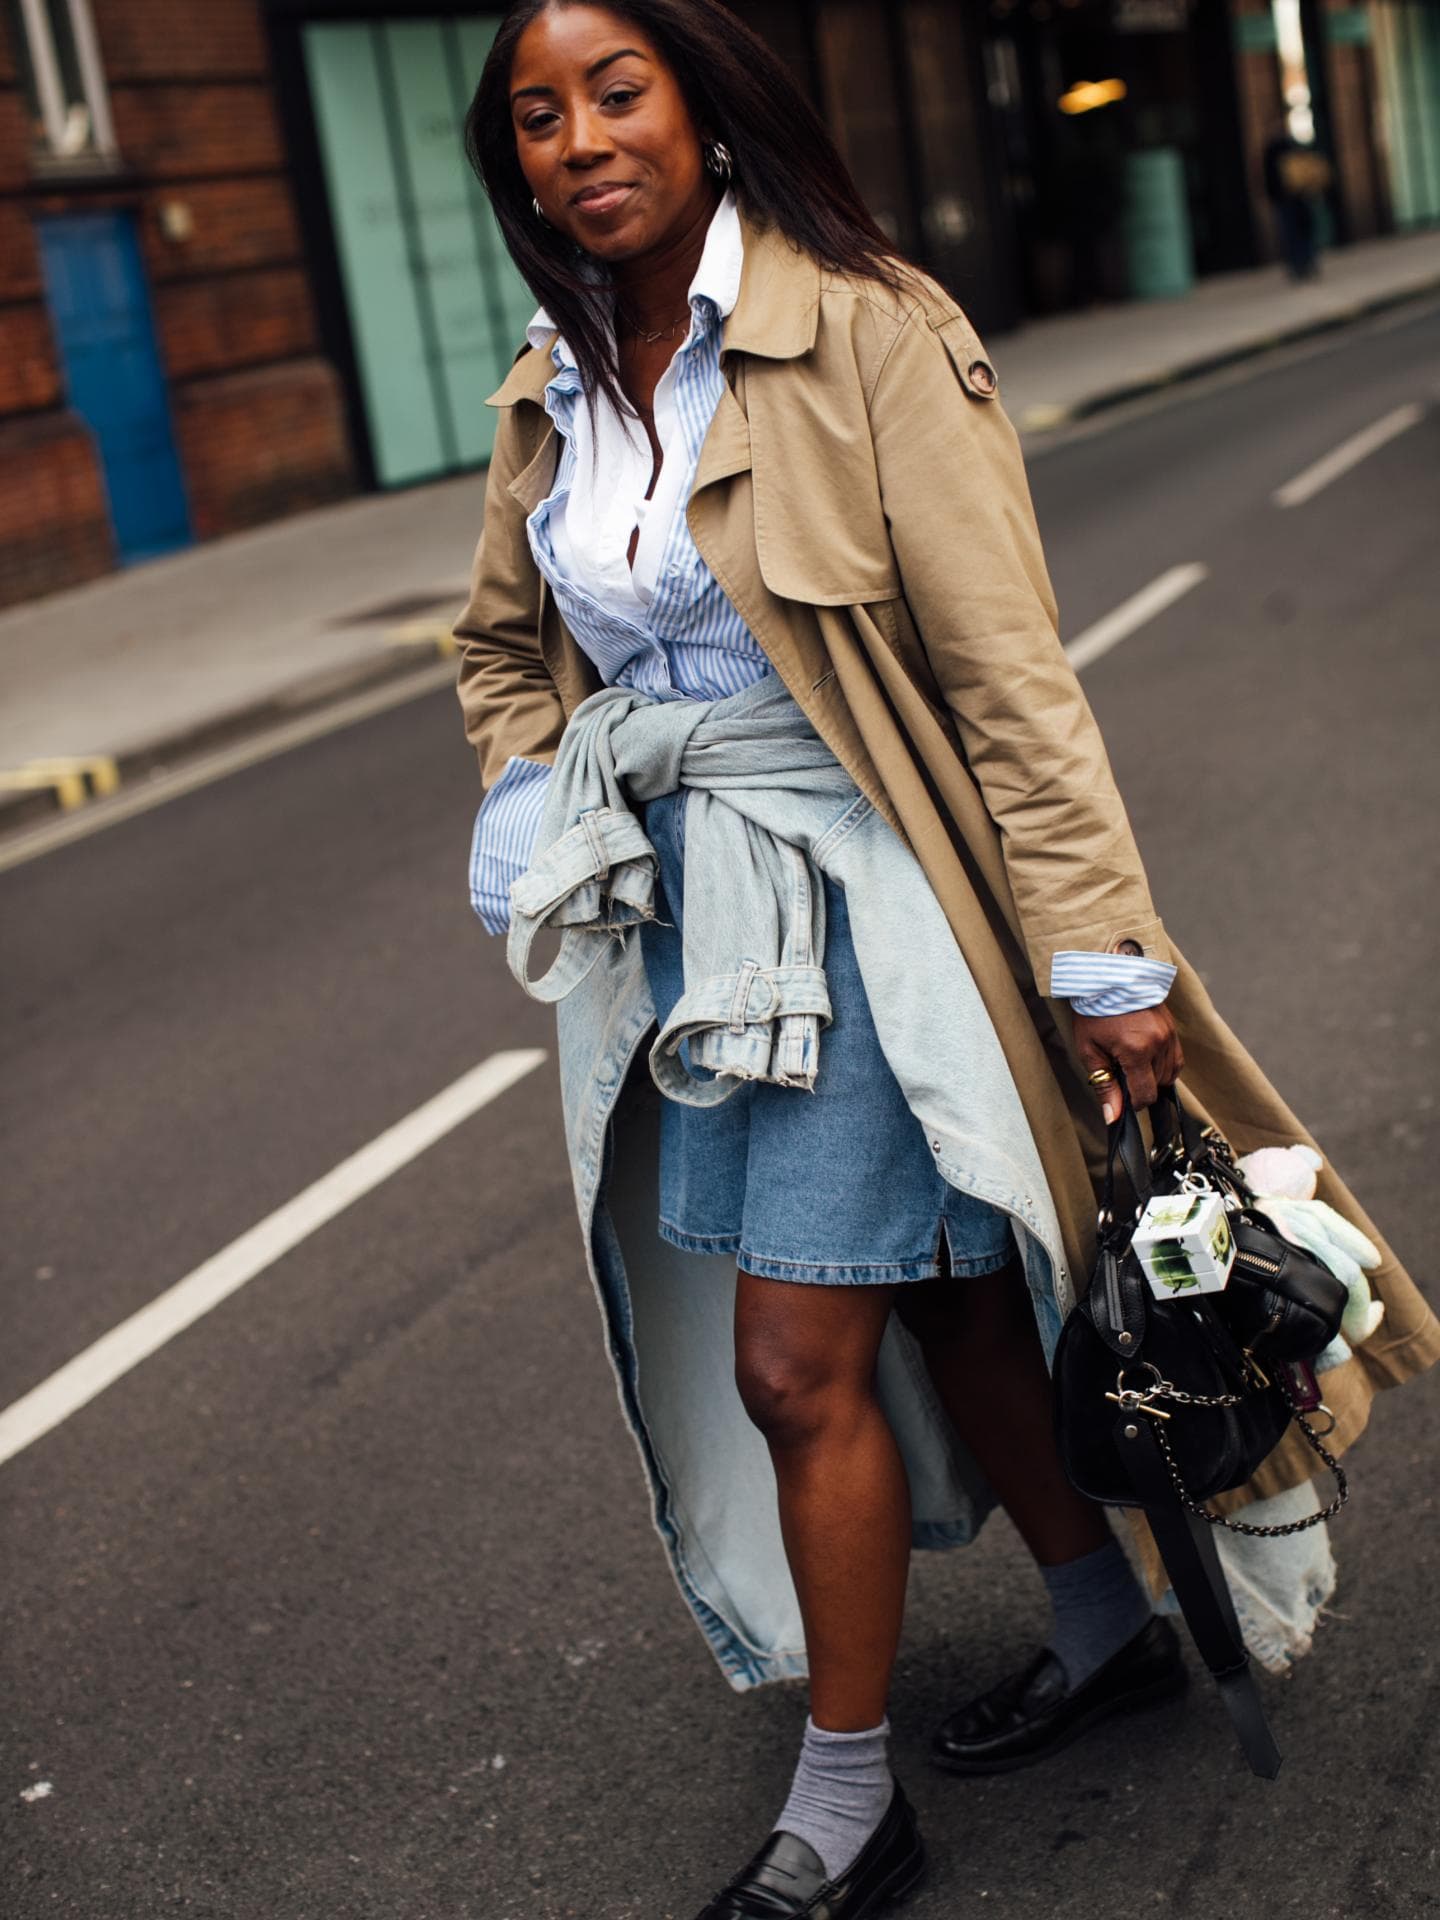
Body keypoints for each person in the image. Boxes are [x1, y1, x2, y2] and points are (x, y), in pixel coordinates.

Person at [454, 5, 1439, 1915]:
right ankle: (1101, 1624)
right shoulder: (552, 379)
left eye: (618, 89)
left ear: (710, 105)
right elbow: (502, 646)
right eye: (537, 113)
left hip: (869, 911)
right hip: (687, 936)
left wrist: (1100, 959)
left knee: (790, 1360)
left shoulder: (867, 331)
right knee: (946, 1299)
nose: (578, 136)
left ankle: (846, 1804)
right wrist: (534, 799)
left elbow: (1010, 682)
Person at [1263, 119, 1330, 282]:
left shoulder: (1273, 150)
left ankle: (1299, 266)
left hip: (1287, 200)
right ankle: (1307, 264)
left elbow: (1268, 178)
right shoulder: (1295, 147)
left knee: (1292, 235)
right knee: (1303, 232)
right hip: (1300, 197)